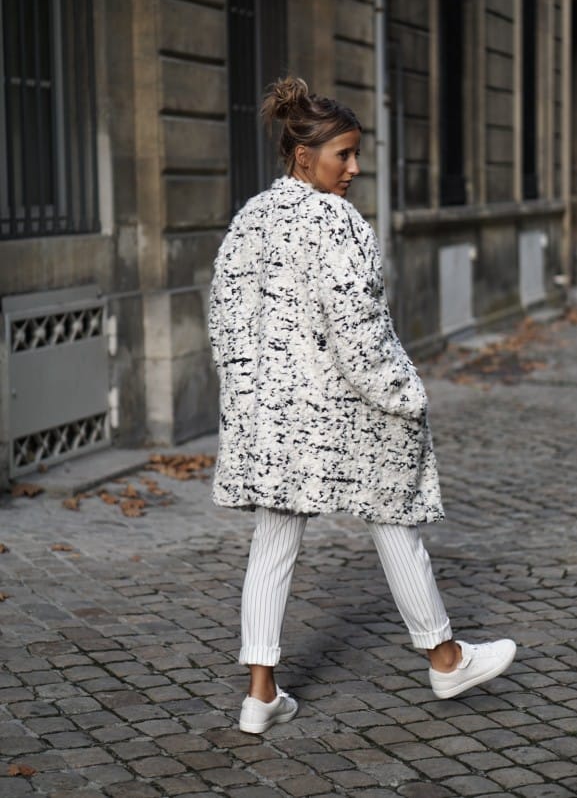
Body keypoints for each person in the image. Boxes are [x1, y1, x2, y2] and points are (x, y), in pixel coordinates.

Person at [208, 76, 516, 735]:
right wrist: (403, 395)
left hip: (275, 416)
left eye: (355, 154)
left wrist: (247, 400)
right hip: (345, 409)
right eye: (342, 154)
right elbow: (359, 331)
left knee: (273, 542)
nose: (353, 168)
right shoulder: (335, 221)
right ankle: (444, 658)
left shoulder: (253, 219)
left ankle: (260, 694)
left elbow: (225, 320)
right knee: (394, 517)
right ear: (303, 156)